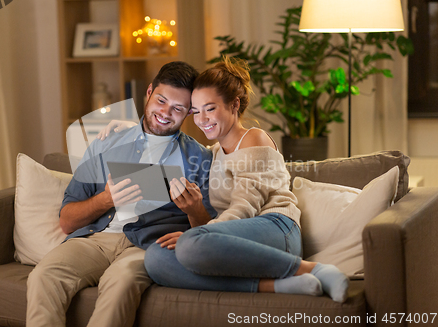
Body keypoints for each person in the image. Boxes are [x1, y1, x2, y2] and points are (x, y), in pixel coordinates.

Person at [142, 56, 350, 303]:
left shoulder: (254, 139)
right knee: (155, 258)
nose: (201, 119)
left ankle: (315, 269)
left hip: (276, 229)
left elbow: (245, 206)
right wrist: (122, 128)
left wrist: (199, 236)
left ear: (234, 104)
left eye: (210, 108)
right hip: (236, 240)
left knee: (189, 243)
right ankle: (279, 285)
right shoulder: (215, 154)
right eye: (195, 112)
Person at [25, 61, 216, 327]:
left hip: (147, 246)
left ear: (188, 113)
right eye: (161, 100)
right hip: (96, 240)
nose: (165, 112)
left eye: (178, 108)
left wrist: (195, 210)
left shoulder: (199, 158)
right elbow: (67, 221)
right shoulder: (107, 141)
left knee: (120, 284)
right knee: (43, 276)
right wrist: (106, 200)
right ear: (148, 92)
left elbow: (210, 236)